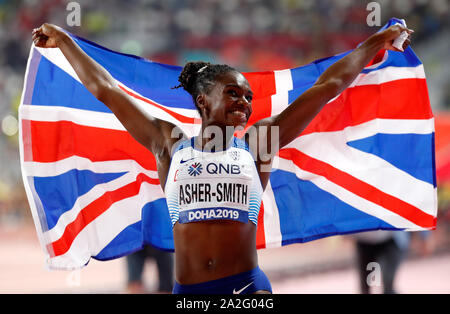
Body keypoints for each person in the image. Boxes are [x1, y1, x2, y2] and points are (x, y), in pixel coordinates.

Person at [31, 23, 412, 294]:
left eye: (247, 97)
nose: (244, 103)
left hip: (246, 290)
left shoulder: (261, 143)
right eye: (233, 93)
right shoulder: (169, 144)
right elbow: (106, 89)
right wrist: (64, 40)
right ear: (203, 101)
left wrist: (377, 41)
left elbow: (327, 86)